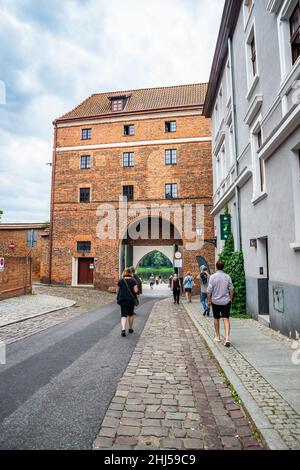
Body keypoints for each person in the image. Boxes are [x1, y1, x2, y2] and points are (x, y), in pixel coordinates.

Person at [207, 260, 234, 347]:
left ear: (216, 266)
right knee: (226, 318)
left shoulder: (212, 277)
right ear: (223, 267)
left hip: (215, 301)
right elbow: (231, 289)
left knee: (216, 318)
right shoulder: (227, 277)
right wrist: (230, 298)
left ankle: (218, 337)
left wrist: (208, 300)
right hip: (225, 301)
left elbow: (209, 290)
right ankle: (227, 338)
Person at [116, 268, 139, 337]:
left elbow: (117, 290)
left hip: (122, 299)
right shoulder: (133, 280)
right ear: (130, 273)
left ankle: (123, 329)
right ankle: (130, 328)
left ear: (124, 273)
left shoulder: (120, 280)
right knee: (130, 314)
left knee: (123, 315)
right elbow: (136, 291)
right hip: (130, 300)